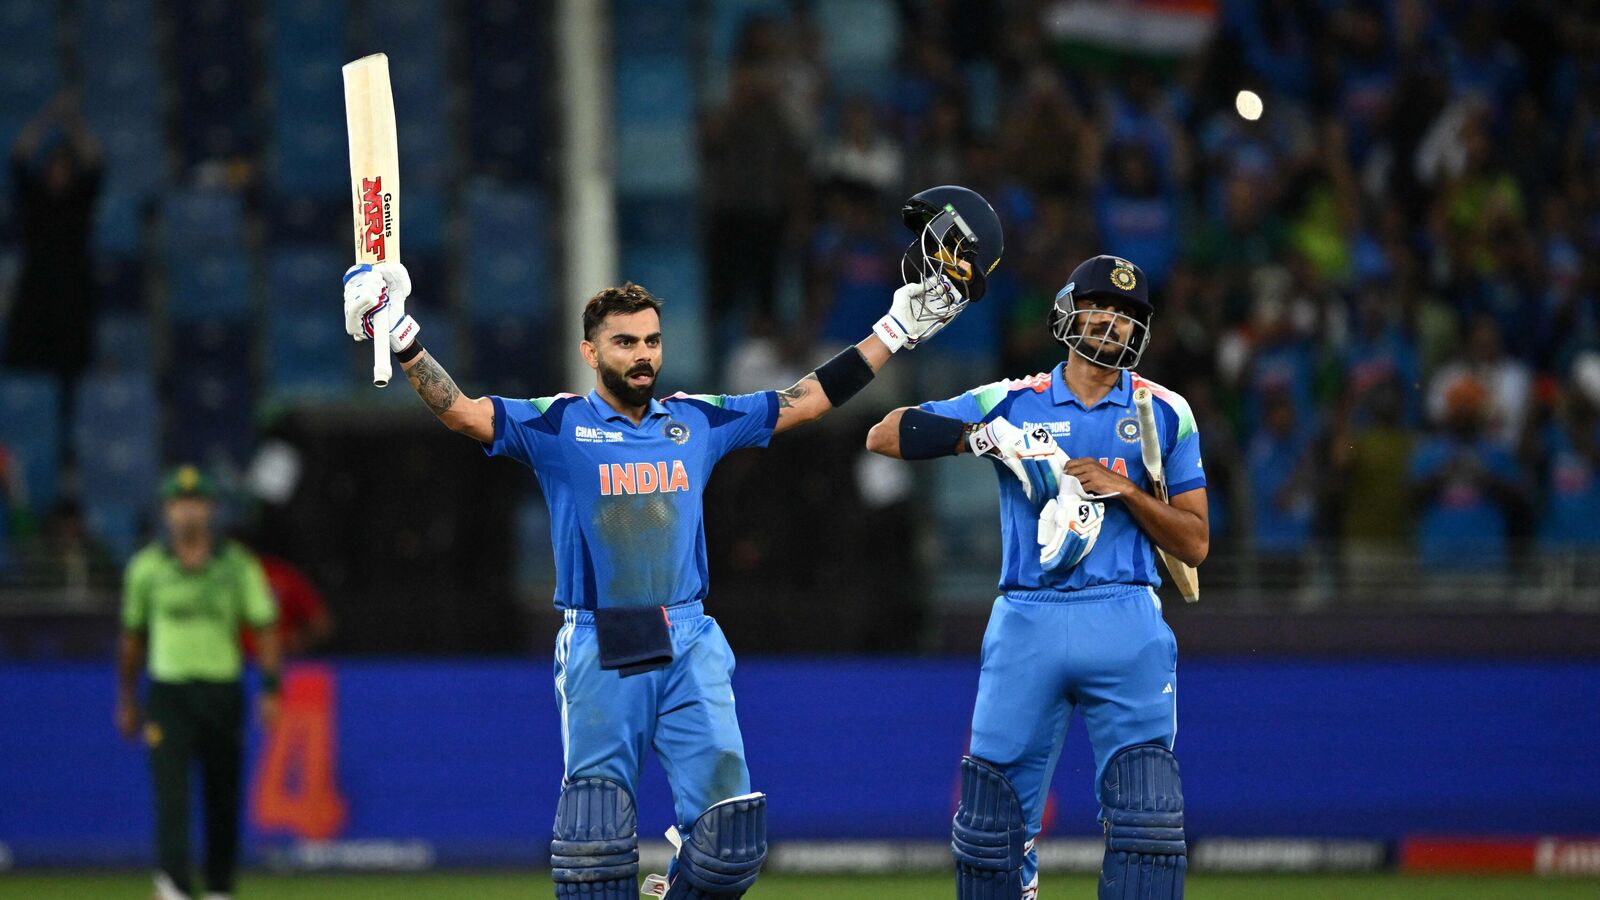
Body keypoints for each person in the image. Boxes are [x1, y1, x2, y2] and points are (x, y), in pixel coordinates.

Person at [340, 186, 1004, 900]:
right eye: (625, 343)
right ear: (590, 350)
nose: (643, 355)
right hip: (604, 639)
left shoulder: (696, 419)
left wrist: (895, 329)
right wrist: (403, 336)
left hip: (688, 636)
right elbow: (465, 415)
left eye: (652, 341)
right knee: (594, 851)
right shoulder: (558, 425)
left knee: (730, 846)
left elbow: (805, 398)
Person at [867, 255, 1205, 900]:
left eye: (1129, 313)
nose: (1114, 321)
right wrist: (986, 438)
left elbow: (1195, 541)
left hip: (1127, 616)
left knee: (1148, 826)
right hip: (1028, 618)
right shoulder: (1012, 401)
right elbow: (884, 434)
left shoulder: (1166, 412)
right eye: (1102, 305)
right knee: (992, 830)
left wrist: (1126, 490)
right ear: (1068, 310)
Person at [116, 466, 281, 900]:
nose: (188, 513)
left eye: (196, 503)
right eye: (178, 504)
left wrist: (269, 688)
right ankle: (173, 883)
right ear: (166, 512)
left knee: (222, 794)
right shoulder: (147, 568)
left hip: (222, 693)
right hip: (169, 694)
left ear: (212, 509)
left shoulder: (237, 565)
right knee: (171, 795)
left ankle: (220, 888)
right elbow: (132, 638)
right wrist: (128, 698)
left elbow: (265, 626)